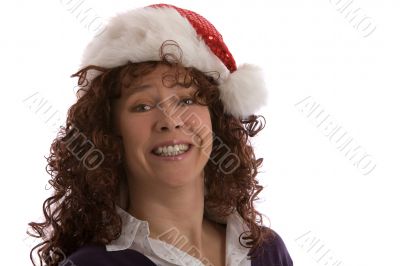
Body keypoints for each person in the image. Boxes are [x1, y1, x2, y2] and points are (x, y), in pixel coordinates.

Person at [28, 3, 293, 266]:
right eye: (142, 106)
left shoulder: (265, 252)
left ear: (216, 118)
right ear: (109, 134)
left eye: (187, 100)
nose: (170, 121)